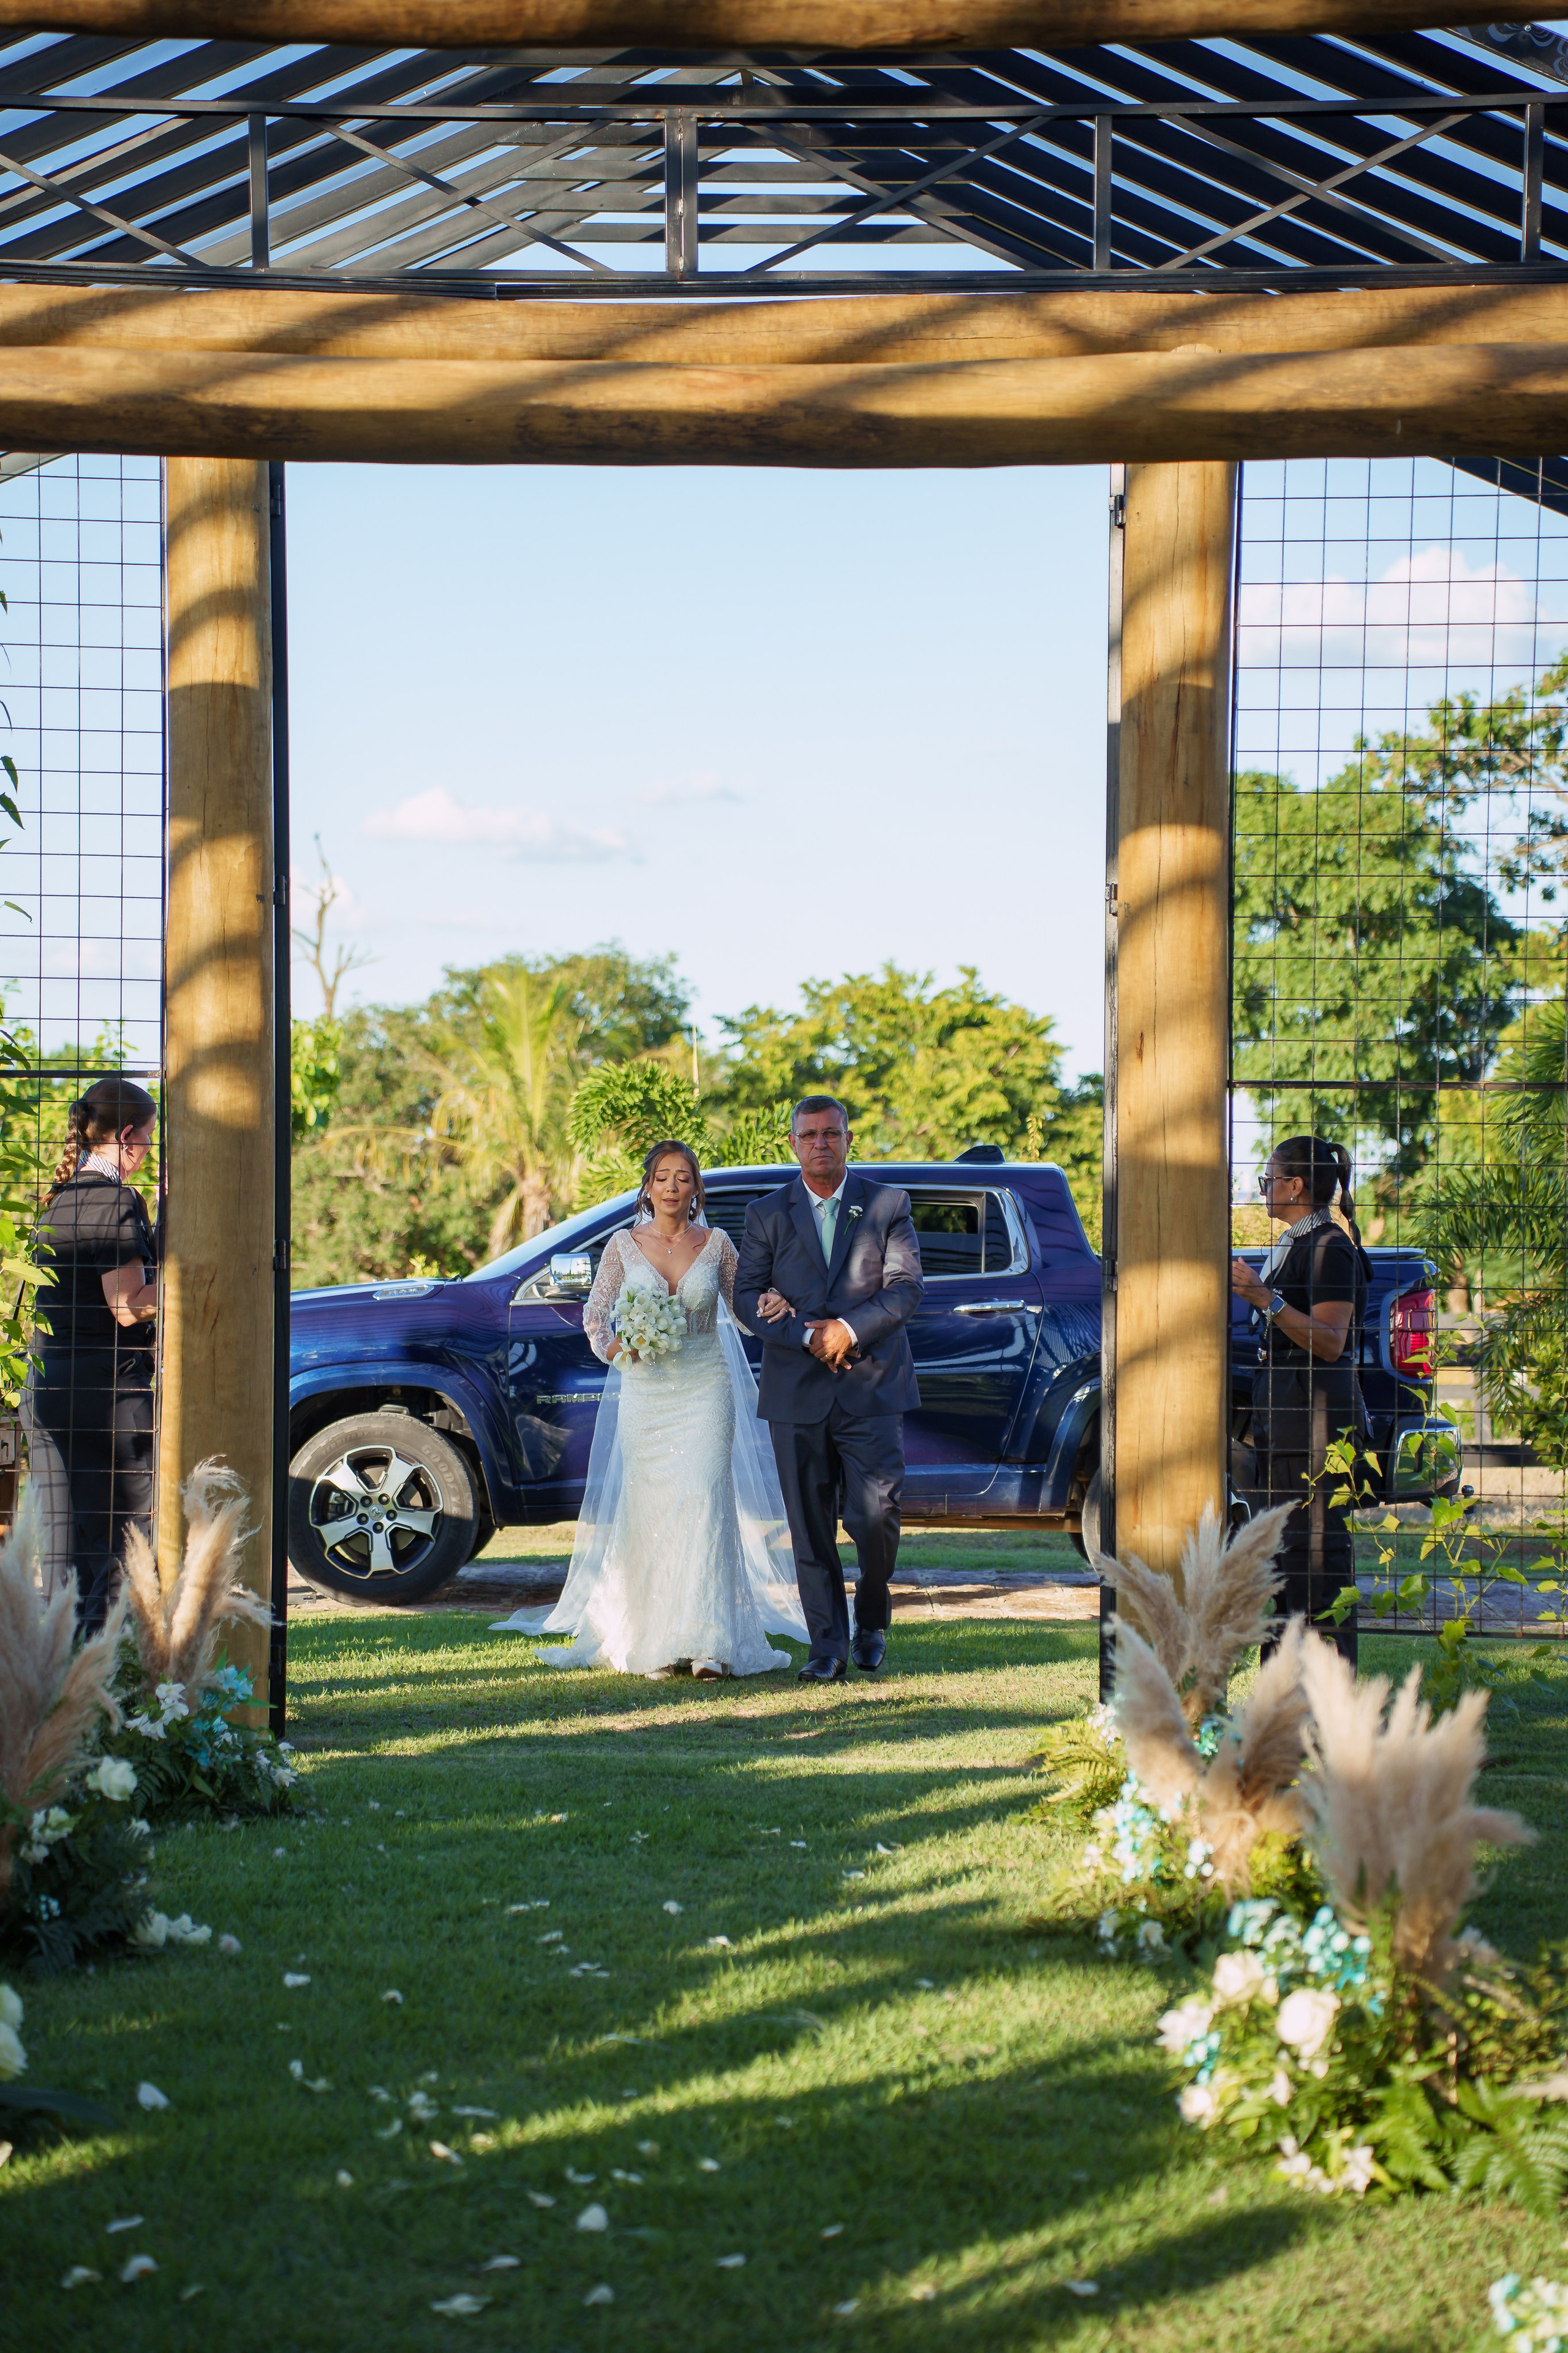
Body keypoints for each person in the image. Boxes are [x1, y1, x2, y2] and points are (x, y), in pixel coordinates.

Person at [529, 1139, 807, 1679]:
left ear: (696, 1188)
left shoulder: (720, 1243)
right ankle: (655, 1639)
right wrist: (618, 1348)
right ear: (648, 1186)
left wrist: (773, 1305)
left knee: (704, 1498)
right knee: (653, 1509)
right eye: (663, 1177)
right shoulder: (622, 1246)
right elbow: (596, 1317)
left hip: (706, 1388)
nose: (674, 1186)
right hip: (647, 1396)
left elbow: (742, 1311)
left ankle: (709, 1642)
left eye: (684, 1177)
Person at [734, 1095, 924, 1683]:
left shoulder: (888, 1204)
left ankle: (871, 1618)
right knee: (809, 1526)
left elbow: (905, 1289)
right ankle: (828, 1646)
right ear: (793, 1143)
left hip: (872, 1386)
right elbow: (746, 1294)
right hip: (797, 1391)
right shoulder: (767, 1213)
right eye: (809, 1135)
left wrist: (847, 1329)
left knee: (876, 1516)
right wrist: (800, 1332)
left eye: (831, 1133)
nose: (821, 1143)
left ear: (849, 1138)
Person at [1231, 1135, 1371, 1666]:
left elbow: (1332, 1340)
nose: (1263, 1189)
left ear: (1296, 1185)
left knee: (1319, 1549)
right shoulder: (1292, 1244)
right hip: (1285, 1419)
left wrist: (1265, 1298)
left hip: (1316, 1424)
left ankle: (1329, 1682)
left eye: (1269, 1180)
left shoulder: (1330, 1248)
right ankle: (1283, 1679)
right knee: (1282, 1547)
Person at [29, 1075, 159, 1632]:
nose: (149, 1152)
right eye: (148, 1140)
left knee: (90, 1537)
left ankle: (85, 1662)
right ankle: (123, 1667)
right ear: (126, 1136)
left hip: (55, 1385)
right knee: (132, 1533)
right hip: (109, 1390)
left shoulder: (61, 1198)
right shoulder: (117, 1199)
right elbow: (128, 1306)